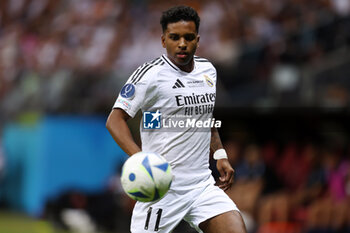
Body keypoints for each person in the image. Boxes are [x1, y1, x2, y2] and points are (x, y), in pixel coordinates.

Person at [106, 5, 247, 233]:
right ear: (163, 40)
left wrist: (220, 154)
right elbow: (114, 120)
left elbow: (205, 118)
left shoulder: (207, 71)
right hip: (162, 189)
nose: (182, 43)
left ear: (198, 40)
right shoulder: (150, 75)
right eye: (174, 37)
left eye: (188, 37)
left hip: (201, 185)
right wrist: (141, 159)